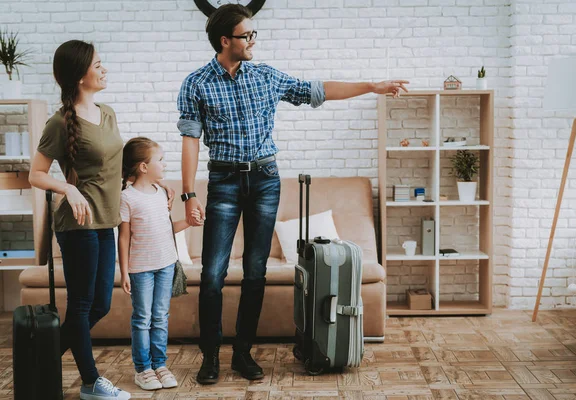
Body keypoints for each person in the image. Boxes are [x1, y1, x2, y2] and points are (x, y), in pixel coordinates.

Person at [176, 4, 409, 384]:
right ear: (225, 40)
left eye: (253, 34)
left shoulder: (266, 76)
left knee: (255, 272)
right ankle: (210, 357)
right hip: (223, 182)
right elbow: (189, 141)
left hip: (266, 179)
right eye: (246, 35)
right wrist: (188, 194)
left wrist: (373, 86)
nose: (253, 41)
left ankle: (243, 353)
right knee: (213, 273)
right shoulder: (197, 83)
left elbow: (317, 90)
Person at [29, 40, 131, 400]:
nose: (104, 70)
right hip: (78, 225)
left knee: (101, 303)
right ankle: (91, 383)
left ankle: (39, 358)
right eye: (98, 65)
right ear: (79, 75)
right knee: (83, 305)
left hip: (106, 221)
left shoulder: (107, 113)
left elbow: (112, 167)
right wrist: (68, 190)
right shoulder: (59, 123)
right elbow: (36, 174)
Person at [118, 137, 199, 391]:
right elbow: (123, 237)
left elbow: (167, 228)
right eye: (160, 160)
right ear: (143, 167)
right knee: (142, 318)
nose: (164, 164)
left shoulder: (163, 192)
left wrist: (189, 223)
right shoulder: (127, 197)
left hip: (166, 265)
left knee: (161, 317)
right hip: (140, 269)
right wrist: (124, 272)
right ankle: (143, 369)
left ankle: (160, 365)